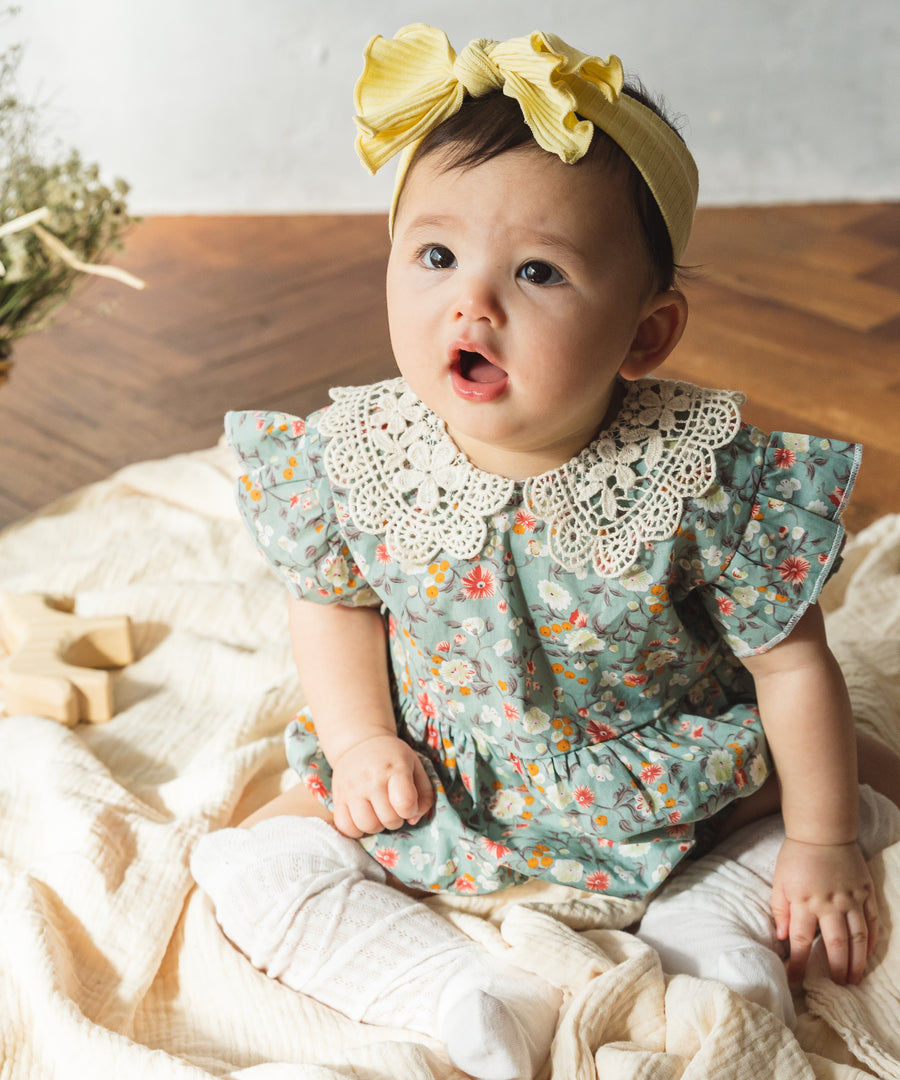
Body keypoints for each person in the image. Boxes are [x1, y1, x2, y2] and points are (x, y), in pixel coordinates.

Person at [191, 24, 900, 1078]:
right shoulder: (356, 459)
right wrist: (357, 744)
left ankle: (712, 923)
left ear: (646, 335)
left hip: (666, 781)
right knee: (252, 868)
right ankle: (454, 990)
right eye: (435, 257)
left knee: (848, 822)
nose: (470, 304)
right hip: (446, 775)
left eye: (537, 272)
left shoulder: (698, 478)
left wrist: (822, 842)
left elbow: (791, 663)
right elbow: (333, 602)